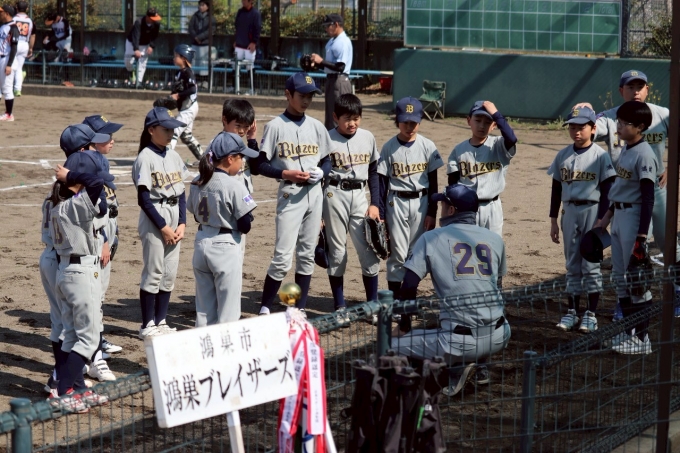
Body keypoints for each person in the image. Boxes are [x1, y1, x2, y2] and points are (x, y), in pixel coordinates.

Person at [574, 69, 680, 319]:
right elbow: (587, 129)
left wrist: (672, 167)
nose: (635, 91)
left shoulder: (662, 114)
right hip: (625, 191)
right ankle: (628, 302)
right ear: (621, 91)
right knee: (626, 251)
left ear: (647, 90)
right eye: (630, 87)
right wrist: (585, 113)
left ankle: (677, 290)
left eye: (640, 87)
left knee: (668, 244)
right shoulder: (611, 118)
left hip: (656, 189)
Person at [392, 184, 511, 397]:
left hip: (458, 343)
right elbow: (497, 287)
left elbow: (408, 285)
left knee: (391, 343)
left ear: (451, 210)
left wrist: (404, 325)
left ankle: (452, 372)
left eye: (442, 204)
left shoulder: (431, 238)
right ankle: (477, 364)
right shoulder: (495, 239)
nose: (440, 208)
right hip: (500, 335)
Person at [256, 73, 333, 316]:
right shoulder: (275, 126)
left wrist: (322, 172)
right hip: (290, 195)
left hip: (315, 195)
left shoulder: (317, 127)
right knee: (282, 256)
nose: (306, 100)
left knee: (307, 255)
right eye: (302, 95)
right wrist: (285, 173)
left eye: (310, 96)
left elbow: (327, 160)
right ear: (288, 94)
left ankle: (299, 308)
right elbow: (260, 165)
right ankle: (265, 308)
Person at [49, 144, 113, 411]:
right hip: (81, 273)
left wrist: (71, 179)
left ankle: (74, 390)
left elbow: (100, 199)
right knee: (89, 339)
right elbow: (96, 184)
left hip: (66, 272)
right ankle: (63, 392)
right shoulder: (76, 205)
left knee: (73, 337)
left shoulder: (59, 205)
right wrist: (72, 176)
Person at [595, 101, 656, 355]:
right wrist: (606, 217)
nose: (618, 127)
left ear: (640, 126)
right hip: (619, 216)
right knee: (620, 279)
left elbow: (648, 197)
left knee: (637, 280)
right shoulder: (626, 149)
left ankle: (642, 338)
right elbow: (620, 189)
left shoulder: (644, 154)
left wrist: (641, 236)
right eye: (618, 122)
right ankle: (629, 332)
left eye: (624, 123)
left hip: (634, 219)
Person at [548, 106, 616, 333]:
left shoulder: (600, 155)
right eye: (572, 127)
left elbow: (607, 191)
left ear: (593, 128)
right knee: (572, 264)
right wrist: (553, 219)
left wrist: (602, 220)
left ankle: (591, 314)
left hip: (592, 211)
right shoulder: (562, 155)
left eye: (581, 127)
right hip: (569, 211)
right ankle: (572, 312)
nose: (576, 132)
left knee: (591, 265)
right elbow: (556, 189)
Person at [188, 132, 258, 326]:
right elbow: (245, 226)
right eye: (241, 157)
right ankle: (227, 347)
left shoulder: (198, 180)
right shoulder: (234, 185)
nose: (243, 161)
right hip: (224, 248)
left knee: (204, 311)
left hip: (201, 243)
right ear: (230, 159)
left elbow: (195, 214)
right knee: (229, 312)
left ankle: (203, 344)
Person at [322, 93, 381, 322]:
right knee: (337, 252)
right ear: (335, 117)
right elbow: (318, 177)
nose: (352, 123)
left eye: (356, 118)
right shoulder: (326, 138)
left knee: (369, 249)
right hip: (333, 194)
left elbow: (374, 172)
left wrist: (375, 203)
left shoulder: (368, 137)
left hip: (360, 196)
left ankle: (372, 304)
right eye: (347, 118)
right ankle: (340, 306)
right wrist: (319, 213)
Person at [132, 107, 190, 339]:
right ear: (151, 130)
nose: (170, 133)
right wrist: (163, 227)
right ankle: (147, 324)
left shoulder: (174, 156)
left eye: (172, 129)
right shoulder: (145, 158)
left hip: (174, 215)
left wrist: (182, 223)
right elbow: (143, 199)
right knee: (154, 271)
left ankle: (161, 320)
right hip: (155, 216)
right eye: (165, 129)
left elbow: (182, 192)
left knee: (169, 272)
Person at [377, 97, 443, 295]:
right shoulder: (389, 147)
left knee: (416, 253)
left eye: (413, 122)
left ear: (420, 121)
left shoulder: (428, 146)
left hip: (422, 203)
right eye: (405, 122)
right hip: (396, 203)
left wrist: (432, 211)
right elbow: (382, 184)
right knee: (397, 253)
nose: (409, 127)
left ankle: (409, 298)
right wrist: (381, 215)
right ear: (397, 120)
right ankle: (395, 299)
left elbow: (434, 183)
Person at [82, 115, 125, 357]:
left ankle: (97, 337)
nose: (112, 140)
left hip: (107, 233)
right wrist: (105, 241)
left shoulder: (101, 162)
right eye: (107, 135)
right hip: (97, 239)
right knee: (93, 292)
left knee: (100, 292)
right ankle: (93, 342)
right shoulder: (86, 166)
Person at [446, 100, 518, 238]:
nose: (482, 126)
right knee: (467, 245)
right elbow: (452, 183)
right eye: (478, 120)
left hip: (492, 207)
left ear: (494, 125)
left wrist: (496, 114)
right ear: (469, 121)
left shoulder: (499, 145)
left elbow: (512, 138)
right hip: (466, 208)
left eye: (487, 122)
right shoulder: (458, 150)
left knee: (492, 246)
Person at [221, 98, 260, 258]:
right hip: (225, 209)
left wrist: (252, 140)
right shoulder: (218, 146)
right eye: (238, 126)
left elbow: (256, 168)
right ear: (225, 120)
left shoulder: (244, 148)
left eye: (246, 126)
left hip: (242, 208)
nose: (242, 131)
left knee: (238, 255)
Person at [310, 13, 353, 130]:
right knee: (330, 116)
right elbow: (329, 66)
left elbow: (340, 67)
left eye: (328, 25)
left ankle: (340, 140)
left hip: (340, 81)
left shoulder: (342, 41)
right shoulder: (332, 41)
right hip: (331, 79)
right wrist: (316, 64)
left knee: (339, 116)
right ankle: (330, 139)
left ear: (336, 24)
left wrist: (321, 61)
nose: (326, 29)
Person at [169, 44, 203, 164]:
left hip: (189, 108)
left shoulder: (188, 72)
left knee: (174, 131)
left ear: (184, 58)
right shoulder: (179, 73)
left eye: (176, 56)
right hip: (186, 107)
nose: (174, 58)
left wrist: (178, 95)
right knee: (186, 135)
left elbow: (192, 89)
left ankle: (165, 157)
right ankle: (204, 160)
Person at [124, 7, 161, 87]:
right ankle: (131, 72)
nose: (154, 20)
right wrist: (136, 49)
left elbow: (155, 35)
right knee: (128, 61)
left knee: (142, 63)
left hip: (144, 44)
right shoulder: (139, 22)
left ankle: (139, 82)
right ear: (147, 17)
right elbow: (136, 36)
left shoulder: (156, 24)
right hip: (131, 42)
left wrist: (151, 46)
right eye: (152, 18)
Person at [0, 4, 18, 122]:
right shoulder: (3, 26)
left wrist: (9, 65)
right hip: (1, 58)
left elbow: (14, 48)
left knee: (7, 88)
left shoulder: (13, 28)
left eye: (1, 12)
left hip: (7, 59)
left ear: (6, 13)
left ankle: (9, 114)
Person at [12, 1, 33, 97]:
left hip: (15, 43)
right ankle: (17, 89)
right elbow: (30, 34)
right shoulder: (29, 20)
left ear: (17, 8)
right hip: (24, 43)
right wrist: (30, 47)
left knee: (12, 66)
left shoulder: (14, 18)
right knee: (19, 68)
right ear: (27, 9)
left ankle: (10, 87)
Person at [188, 0, 215, 74]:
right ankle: (194, 77)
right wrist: (195, 37)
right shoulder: (195, 16)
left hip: (205, 44)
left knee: (204, 63)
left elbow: (210, 30)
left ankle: (204, 78)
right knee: (194, 62)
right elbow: (191, 28)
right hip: (195, 43)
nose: (201, 7)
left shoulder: (211, 18)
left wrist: (200, 37)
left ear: (207, 7)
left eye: (203, 5)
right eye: (200, 5)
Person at [233, 0, 261, 66]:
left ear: (250, 1)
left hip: (249, 45)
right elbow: (237, 26)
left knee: (249, 66)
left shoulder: (256, 13)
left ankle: (250, 73)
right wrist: (236, 40)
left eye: (244, 0)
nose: (243, 2)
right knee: (236, 65)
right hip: (239, 44)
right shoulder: (240, 12)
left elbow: (257, 28)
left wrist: (254, 42)